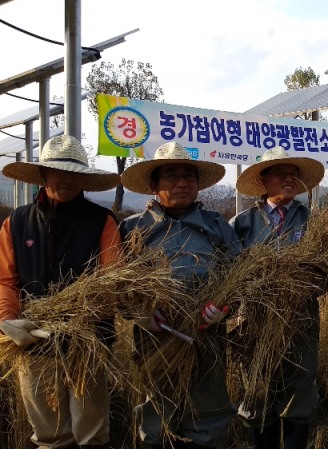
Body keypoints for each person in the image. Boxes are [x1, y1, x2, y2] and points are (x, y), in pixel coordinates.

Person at [0, 135, 122, 449]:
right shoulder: (17, 223)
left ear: (84, 178)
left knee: (91, 430)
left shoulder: (102, 221)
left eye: (74, 172)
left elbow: (112, 280)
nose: (67, 179)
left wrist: (80, 320)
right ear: (43, 174)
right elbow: (6, 281)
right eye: (58, 171)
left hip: (87, 344)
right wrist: (8, 320)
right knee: (49, 433)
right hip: (32, 342)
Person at [119, 142, 242, 449]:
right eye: (171, 176)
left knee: (208, 414)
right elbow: (116, 285)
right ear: (154, 185)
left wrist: (225, 308)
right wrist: (140, 314)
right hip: (156, 341)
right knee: (158, 413)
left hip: (207, 338)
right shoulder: (133, 230)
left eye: (189, 176)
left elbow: (240, 275)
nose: (182, 183)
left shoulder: (216, 225)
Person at [230, 147, 325, 449]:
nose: (289, 179)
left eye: (293, 174)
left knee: (299, 392)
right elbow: (228, 271)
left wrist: (302, 286)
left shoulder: (314, 222)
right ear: (263, 180)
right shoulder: (243, 223)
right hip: (256, 320)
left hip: (301, 320)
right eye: (281, 174)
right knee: (258, 390)